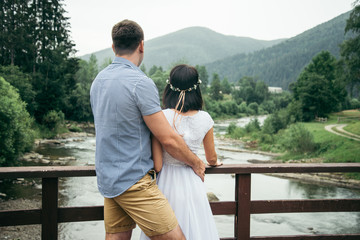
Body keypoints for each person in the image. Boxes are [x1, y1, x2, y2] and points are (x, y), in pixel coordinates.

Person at [90, 20, 206, 240]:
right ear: (141, 45)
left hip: (108, 181)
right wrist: (196, 162)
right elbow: (168, 139)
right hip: (134, 183)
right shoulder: (140, 83)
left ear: (114, 47)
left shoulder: (98, 81)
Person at [140, 64, 222, 240]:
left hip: (166, 185)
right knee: (196, 230)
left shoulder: (161, 117)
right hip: (193, 184)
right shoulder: (205, 119)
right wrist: (215, 163)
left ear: (169, 88)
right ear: (196, 88)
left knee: (164, 230)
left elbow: (158, 164)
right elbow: (211, 158)